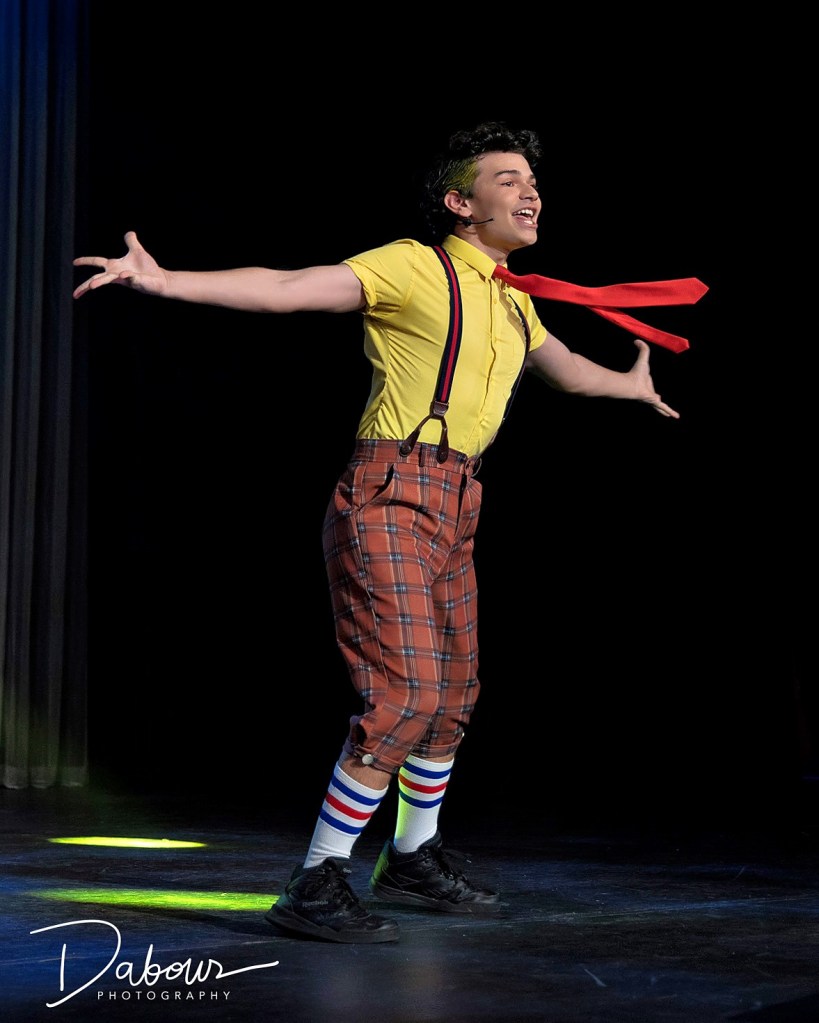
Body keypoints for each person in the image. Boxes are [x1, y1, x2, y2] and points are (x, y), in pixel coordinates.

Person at [73, 121, 699, 945]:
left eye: (532, 179)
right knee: (403, 696)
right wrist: (166, 282)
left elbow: (561, 368)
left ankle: (411, 853)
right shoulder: (415, 264)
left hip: (458, 501)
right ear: (459, 202)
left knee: (451, 697)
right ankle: (316, 876)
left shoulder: (513, 297)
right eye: (506, 179)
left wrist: (626, 385)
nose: (529, 190)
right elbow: (294, 284)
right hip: (391, 491)